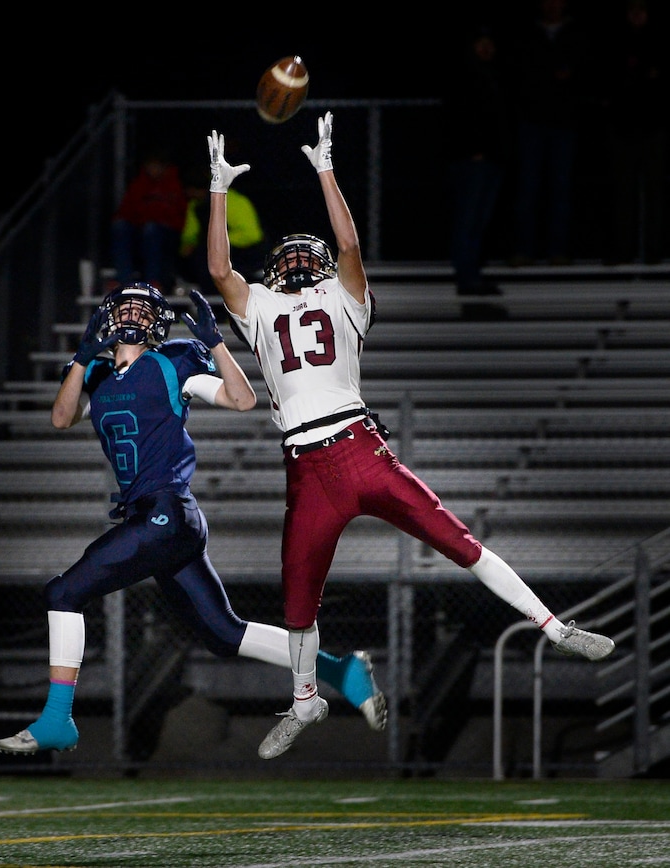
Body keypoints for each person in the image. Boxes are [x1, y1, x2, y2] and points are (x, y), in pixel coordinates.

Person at [205, 112, 616, 761]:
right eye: (283, 258)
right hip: (308, 467)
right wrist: (219, 189)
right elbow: (220, 267)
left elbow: (347, 247)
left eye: (298, 256)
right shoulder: (262, 307)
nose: (289, 263)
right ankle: (307, 699)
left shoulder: (345, 297)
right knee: (296, 602)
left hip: (355, 447)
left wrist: (324, 170)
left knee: (459, 541)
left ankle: (554, 626)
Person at [0, 282, 386, 757]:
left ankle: (58, 719)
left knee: (63, 591)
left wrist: (218, 343)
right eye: (126, 308)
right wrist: (80, 358)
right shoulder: (94, 372)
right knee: (224, 633)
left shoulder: (171, 362)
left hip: (167, 512)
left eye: (144, 309)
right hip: (152, 518)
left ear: (159, 323)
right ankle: (340, 670)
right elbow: (61, 417)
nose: (134, 317)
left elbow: (242, 400)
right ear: (107, 318)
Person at [508, 0, 590, 267]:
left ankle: (558, 251)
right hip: (532, 121)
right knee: (528, 189)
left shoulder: (575, 34)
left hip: (564, 123)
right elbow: (521, 73)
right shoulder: (528, 34)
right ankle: (524, 250)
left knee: (561, 190)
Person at [442, 23, 510, 318]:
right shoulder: (464, 77)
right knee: (468, 220)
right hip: (471, 159)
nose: (487, 48)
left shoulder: (495, 75)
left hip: (492, 158)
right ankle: (466, 277)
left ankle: (474, 274)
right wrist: (474, 149)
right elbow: (459, 118)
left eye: (489, 42)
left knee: (479, 221)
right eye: (481, 42)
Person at [600, 0, 667, 266]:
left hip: (653, 126)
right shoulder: (616, 42)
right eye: (632, 10)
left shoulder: (659, 41)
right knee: (623, 191)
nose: (637, 15)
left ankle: (653, 249)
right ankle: (623, 248)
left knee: (654, 192)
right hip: (623, 126)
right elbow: (610, 80)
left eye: (642, 10)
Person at [110, 147, 188, 292]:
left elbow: (176, 215)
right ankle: (123, 280)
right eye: (150, 165)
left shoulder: (174, 184)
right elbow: (127, 210)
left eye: (156, 165)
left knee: (151, 230)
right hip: (141, 229)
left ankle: (154, 280)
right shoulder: (140, 184)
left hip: (167, 233)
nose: (153, 169)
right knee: (120, 227)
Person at [179, 165, 266, 294]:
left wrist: (217, 242)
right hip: (210, 254)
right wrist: (188, 245)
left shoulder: (232, 201)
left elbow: (252, 235)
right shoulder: (196, 205)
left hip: (244, 253)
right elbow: (190, 235)